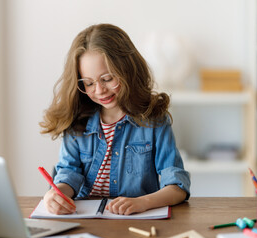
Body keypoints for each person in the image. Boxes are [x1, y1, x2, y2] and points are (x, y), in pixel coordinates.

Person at [39, 23, 190, 216]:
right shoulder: (77, 122)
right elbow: (69, 173)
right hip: (86, 221)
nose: (100, 90)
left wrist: (143, 202)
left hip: (136, 221)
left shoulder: (153, 121)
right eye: (88, 83)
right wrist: (55, 194)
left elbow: (177, 186)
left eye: (108, 78)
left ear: (127, 69)